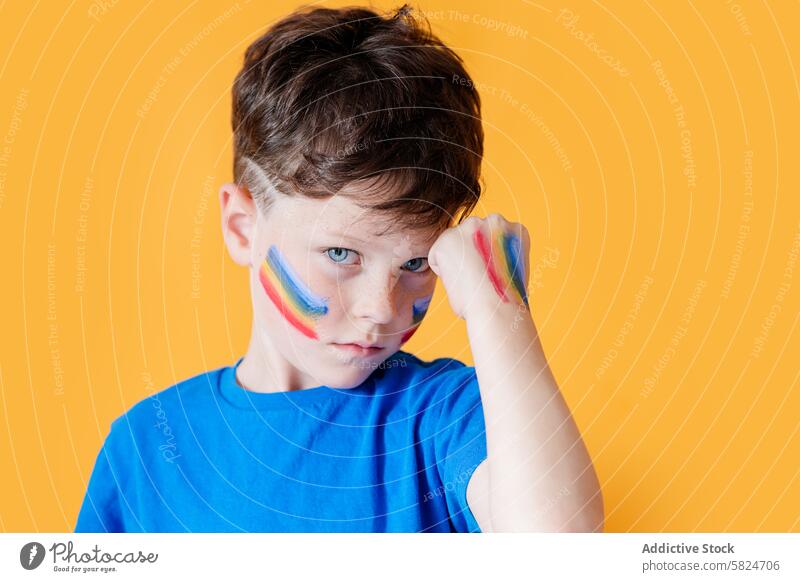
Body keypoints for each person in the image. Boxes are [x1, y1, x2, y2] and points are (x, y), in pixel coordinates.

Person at [75, 4, 603, 533]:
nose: (381, 310)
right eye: (340, 254)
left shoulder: (452, 416)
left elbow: (559, 548)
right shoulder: (146, 448)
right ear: (241, 227)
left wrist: (498, 303)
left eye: (415, 262)